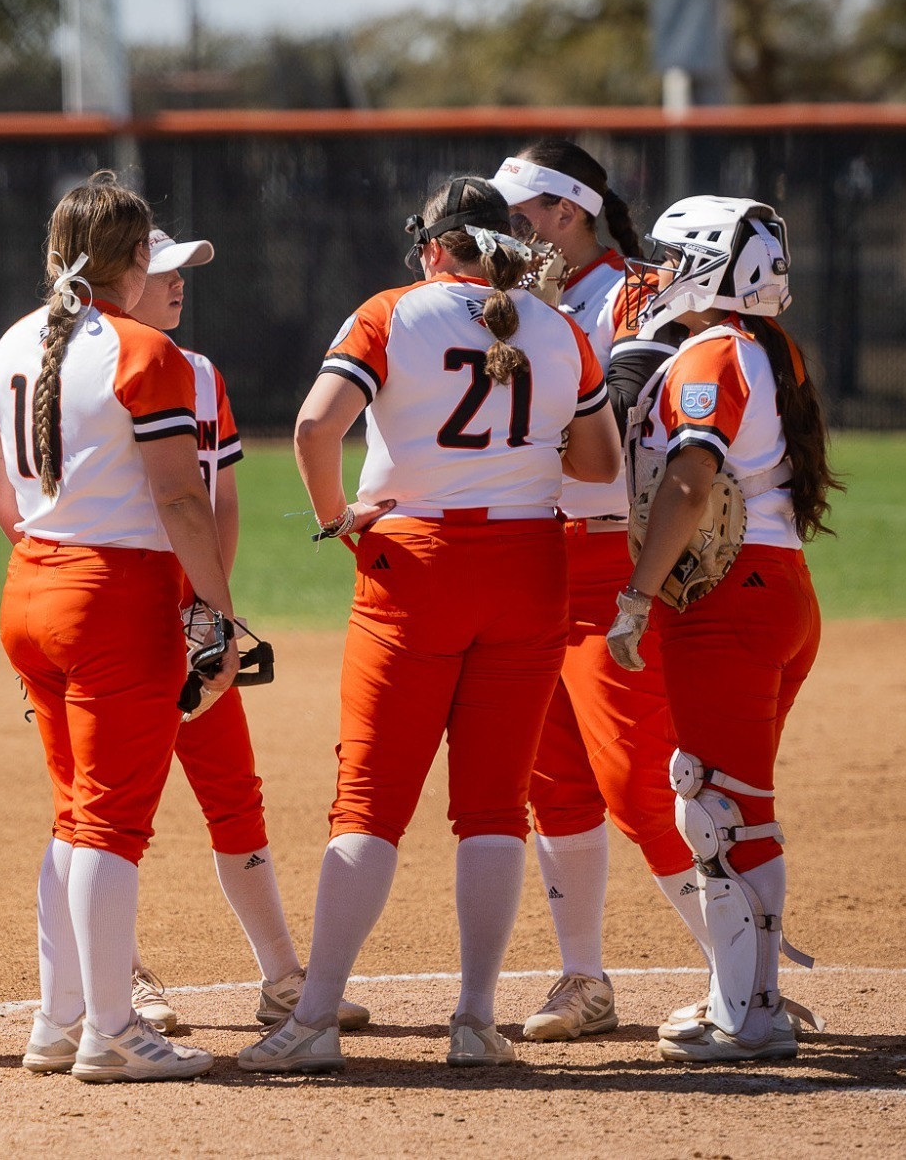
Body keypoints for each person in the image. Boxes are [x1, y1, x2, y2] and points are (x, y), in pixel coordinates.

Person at [238, 177, 620, 1074]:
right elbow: (600, 463)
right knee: (493, 805)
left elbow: (311, 428)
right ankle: (476, 1018)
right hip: (531, 568)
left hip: (415, 565)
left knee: (368, 802)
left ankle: (317, 1016)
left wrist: (337, 519)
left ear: (433, 247)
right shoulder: (560, 327)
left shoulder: (390, 312)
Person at [0, 174, 238, 1084]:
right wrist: (217, 609)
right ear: (135, 258)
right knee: (113, 825)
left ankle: (60, 1021)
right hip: (114, 595)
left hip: (31, 587)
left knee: (74, 816)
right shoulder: (143, 350)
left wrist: (50, 557)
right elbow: (178, 495)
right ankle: (112, 1029)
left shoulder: (13, 340)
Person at [602, 195, 841, 1063]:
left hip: (727, 599)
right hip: (774, 586)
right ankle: (743, 994)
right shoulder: (766, 346)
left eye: (671, 258)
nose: (657, 272)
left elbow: (691, 482)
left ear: (706, 267)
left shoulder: (712, 348)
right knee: (727, 801)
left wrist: (637, 591)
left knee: (718, 806)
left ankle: (750, 1011)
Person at [118, 229, 371, 1037]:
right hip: (113, 612)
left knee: (232, 788)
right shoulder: (82, 363)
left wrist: (210, 607)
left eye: (183, 271)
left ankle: (280, 975)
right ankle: (115, 973)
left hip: (188, 610)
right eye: (161, 271)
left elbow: (219, 502)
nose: (178, 284)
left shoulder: (198, 375)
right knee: (111, 802)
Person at [488, 141, 712, 1042]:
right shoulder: (506, 303)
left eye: (524, 213)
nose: (511, 231)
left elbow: (615, 414)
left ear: (569, 211)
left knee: (638, 779)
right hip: (533, 554)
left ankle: (743, 972)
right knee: (555, 781)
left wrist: (536, 330)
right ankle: (584, 978)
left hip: (611, 555)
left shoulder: (639, 291)